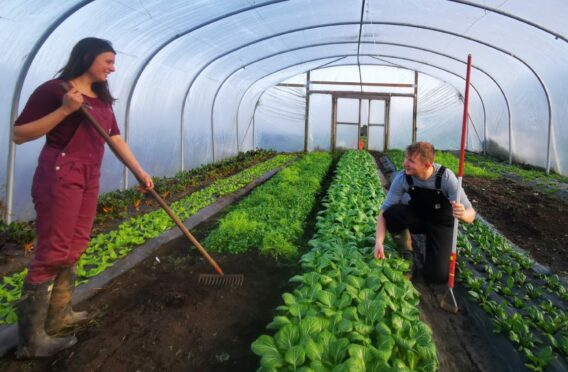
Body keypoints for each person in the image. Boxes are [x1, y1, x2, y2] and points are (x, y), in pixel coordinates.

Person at [12, 37, 154, 358]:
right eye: (108, 61)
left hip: (90, 174)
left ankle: (59, 314)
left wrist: (139, 172)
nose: (113, 68)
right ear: (87, 57)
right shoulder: (55, 91)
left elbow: (114, 138)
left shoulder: (101, 98)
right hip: (61, 173)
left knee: (76, 244)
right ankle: (31, 341)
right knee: (52, 251)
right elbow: (20, 134)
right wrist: (65, 110)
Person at [374, 142, 476, 283]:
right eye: (406, 158)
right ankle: (407, 255)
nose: (405, 163)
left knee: (436, 277)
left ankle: (439, 254)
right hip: (418, 218)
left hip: (440, 223)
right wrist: (378, 242)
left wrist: (463, 214)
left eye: (411, 161)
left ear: (427, 165)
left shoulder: (445, 178)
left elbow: (471, 214)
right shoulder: (403, 177)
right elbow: (384, 210)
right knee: (392, 213)